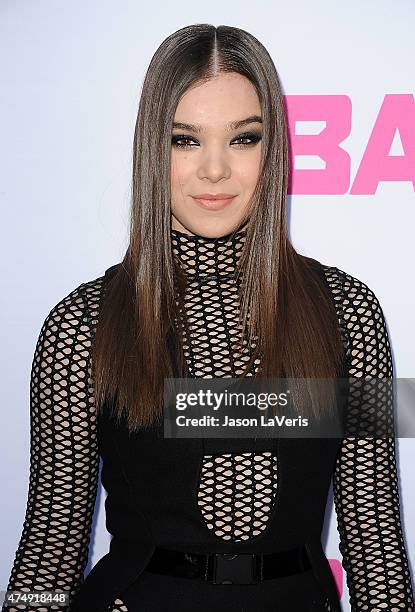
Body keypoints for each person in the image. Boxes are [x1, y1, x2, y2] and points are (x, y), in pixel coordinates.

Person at [3, 23, 414, 612]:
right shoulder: (82, 324)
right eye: (185, 140)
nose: (215, 170)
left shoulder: (349, 313)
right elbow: (50, 544)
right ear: (152, 149)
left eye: (243, 139)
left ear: (273, 149)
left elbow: (377, 543)